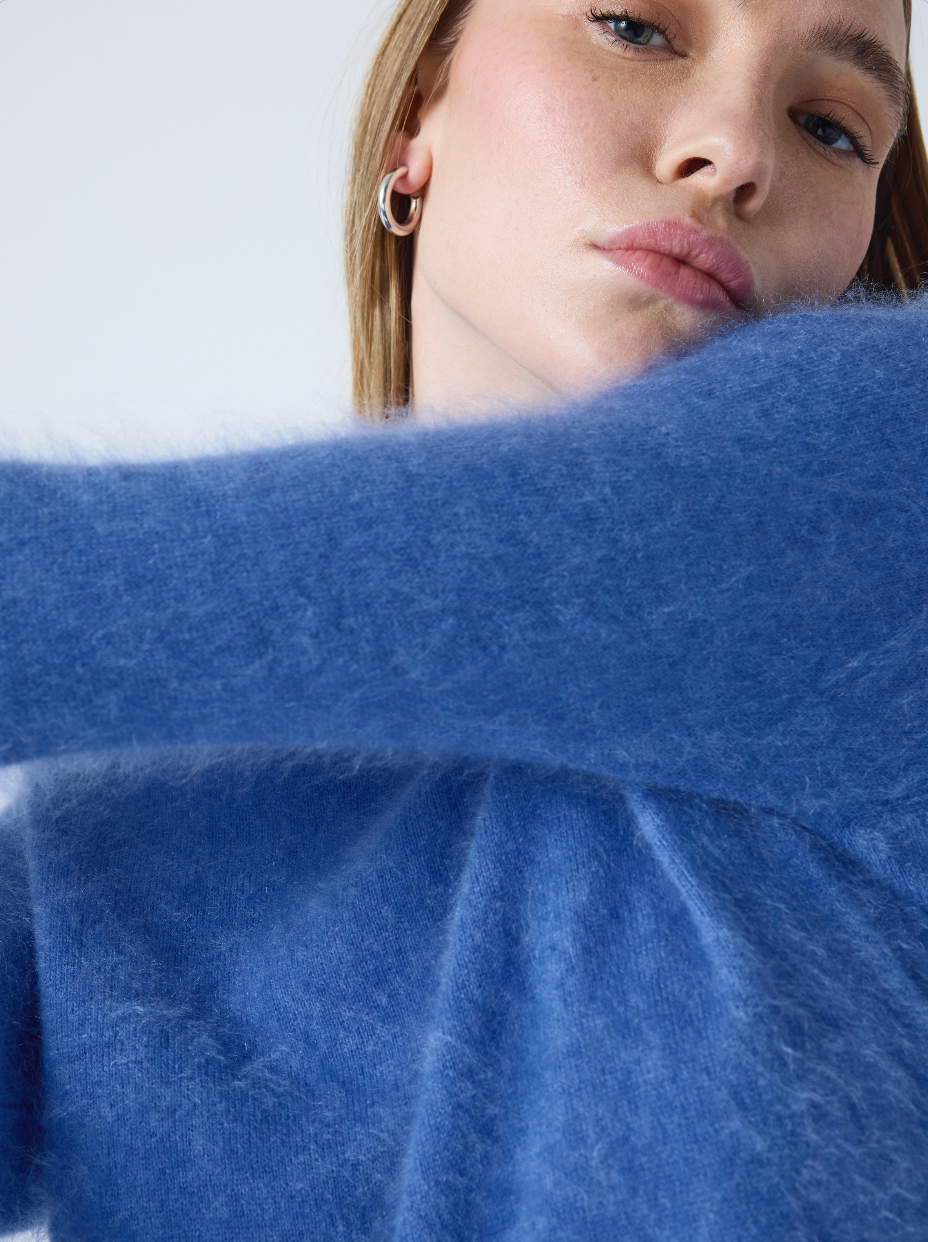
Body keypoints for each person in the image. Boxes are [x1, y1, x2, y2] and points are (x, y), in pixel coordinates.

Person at [2, 1, 928, 1238]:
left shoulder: (887, 469)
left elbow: (49, 599)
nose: (738, 150)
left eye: (830, 126)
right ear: (412, 120)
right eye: (635, 27)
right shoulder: (120, 815)